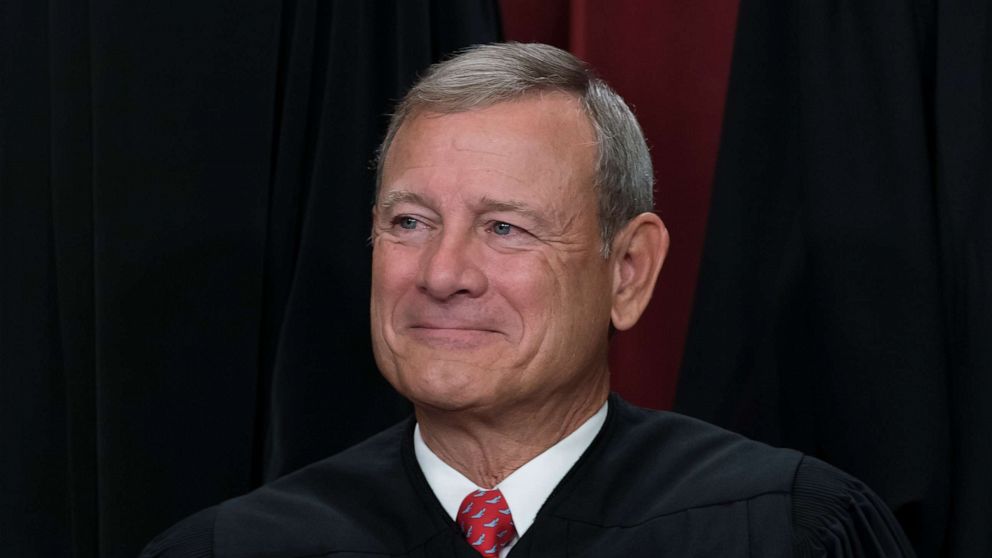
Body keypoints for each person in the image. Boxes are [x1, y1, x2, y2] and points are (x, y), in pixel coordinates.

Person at [141, 42, 914, 557]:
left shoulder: (781, 528)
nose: (443, 274)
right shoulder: (234, 547)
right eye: (410, 222)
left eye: (506, 228)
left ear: (629, 271)